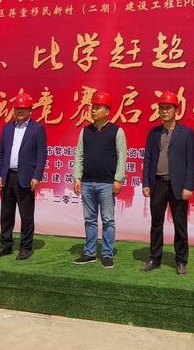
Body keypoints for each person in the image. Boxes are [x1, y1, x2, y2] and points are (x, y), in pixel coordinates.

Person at [140, 91, 194, 276]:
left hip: (178, 185)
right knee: (156, 223)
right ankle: (154, 258)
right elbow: (148, 159)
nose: (164, 111)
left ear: (176, 110)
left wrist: (188, 186)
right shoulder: (153, 133)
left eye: (168, 108)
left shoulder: (186, 133)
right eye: (161, 108)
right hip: (158, 183)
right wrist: (146, 183)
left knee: (180, 224)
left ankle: (181, 261)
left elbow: (191, 161)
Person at [72, 90, 126, 269]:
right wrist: (77, 177)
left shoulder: (117, 131)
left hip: (107, 183)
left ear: (107, 111)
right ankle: (90, 253)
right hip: (87, 182)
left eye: (98, 108)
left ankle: (107, 254)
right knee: (89, 219)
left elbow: (122, 156)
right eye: (93, 107)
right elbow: (79, 154)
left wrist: (118, 179)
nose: (94, 111)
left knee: (108, 220)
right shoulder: (85, 131)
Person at [0, 93, 47, 261]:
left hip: (26, 177)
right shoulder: (7, 128)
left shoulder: (37, 129)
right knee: (6, 214)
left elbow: (41, 155)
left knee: (26, 215)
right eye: (17, 108)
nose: (20, 111)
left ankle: (26, 247)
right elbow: (0, 153)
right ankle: (6, 245)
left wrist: (37, 176)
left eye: (23, 108)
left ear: (30, 110)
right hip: (8, 176)